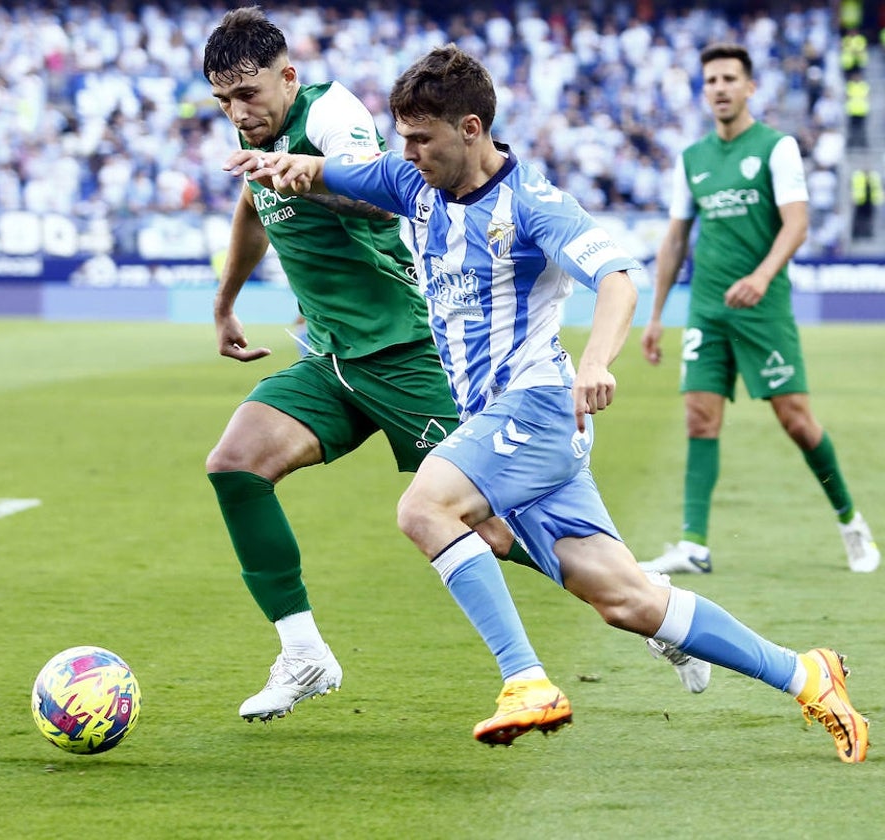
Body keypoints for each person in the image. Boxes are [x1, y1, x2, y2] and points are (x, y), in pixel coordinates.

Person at [226, 44, 868, 762]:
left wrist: (597, 359)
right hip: (502, 425)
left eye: (419, 138)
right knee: (627, 598)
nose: (404, 153)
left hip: (537, 410)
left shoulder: (534, 204)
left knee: (424, 507)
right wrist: (284, 166)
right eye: (400, 138)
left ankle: (525, 680)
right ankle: (806, 672)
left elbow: (618, 277)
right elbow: (327, 172)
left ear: (471, 129)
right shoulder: (413, 183)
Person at [202, 7, 574, 724]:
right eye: (223, 101)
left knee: (496, 529)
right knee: (236, 464)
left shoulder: (331, 115)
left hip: (404, 348)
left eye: (247, 95)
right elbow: (255, 205)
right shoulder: (255, 129)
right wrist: (224, 304)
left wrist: (302, 175)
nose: (236, 112)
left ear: (288, 76)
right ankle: (304, 654)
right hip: (335, 357)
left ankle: (634, 592)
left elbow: (384, 205)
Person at [639, 43, 879, 576]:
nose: (719, 88)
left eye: (729, 79)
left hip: (762, 309)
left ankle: (849, 521)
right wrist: (656, 316)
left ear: (750, 87)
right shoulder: (692, 158)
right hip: (707, 309)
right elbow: (676, 239)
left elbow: (797, 224)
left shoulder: (777, 147)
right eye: (710, 81)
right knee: (699, 418)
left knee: (796, 420)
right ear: (703, 91)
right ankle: (694, 544)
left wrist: (760, 276)